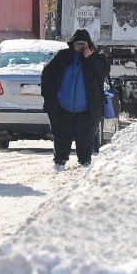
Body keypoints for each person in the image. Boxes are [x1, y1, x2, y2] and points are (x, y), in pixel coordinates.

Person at [41, 28, 109, 170]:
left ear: (89, 45)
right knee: (61, 137)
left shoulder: (97, 58)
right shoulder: (62, 56)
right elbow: (46, 73)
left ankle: (85, 162)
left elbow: (103, 73)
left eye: (84, 44)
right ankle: (60, 162)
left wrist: (90, 58)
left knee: (86, 138)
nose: (81, 47)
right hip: (61, 108)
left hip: (87, 110)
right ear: (72, 44)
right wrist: (47, 95)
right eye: (78, 44)